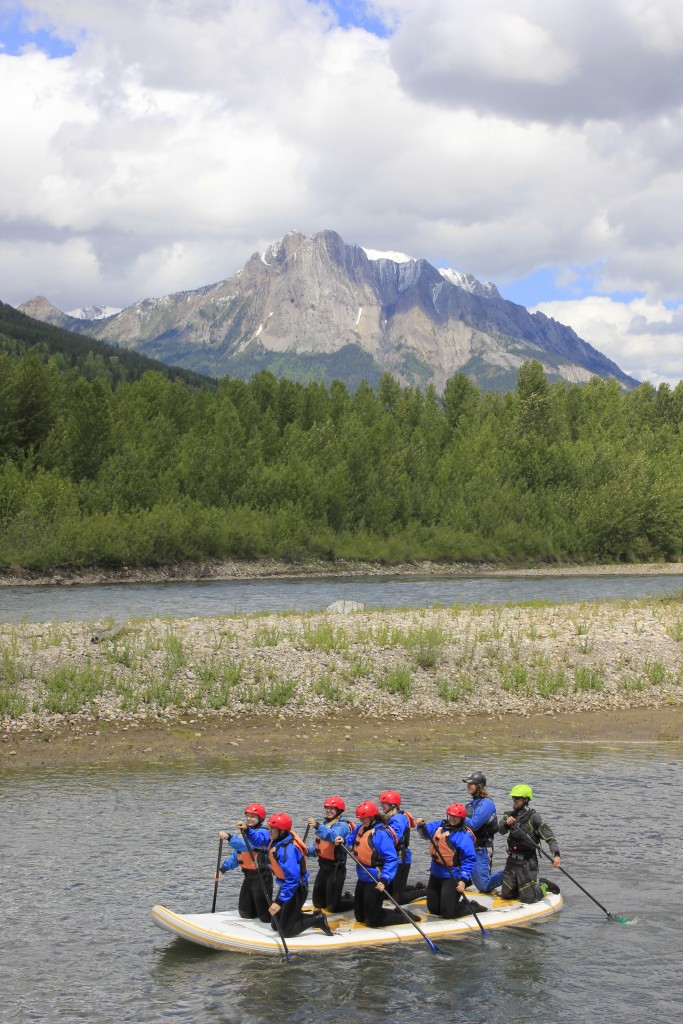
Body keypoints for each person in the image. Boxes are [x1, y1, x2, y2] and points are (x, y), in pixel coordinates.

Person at [337, 800, 418, 928]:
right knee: (360, 917)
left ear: (372, 816)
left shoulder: (380, 833)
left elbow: (391, 859)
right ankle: (386, 911)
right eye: (360, 818)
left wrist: (385, 880)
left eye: (364, 818)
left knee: (372, 921)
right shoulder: (361, 828)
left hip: (375, 879)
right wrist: (344, 840)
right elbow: (352, 840)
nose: (362, 820)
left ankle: (404, 917)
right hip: (363, 877)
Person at [267, 812, 333, 937]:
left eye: (272, 829)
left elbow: (293, 879)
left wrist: (279, 902)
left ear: (281, 831)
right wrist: (247, 830)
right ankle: (313, 915)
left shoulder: (288, 850)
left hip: (296, 889)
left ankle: (318, 920)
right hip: (287, 886)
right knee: (275, 925)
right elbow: (259, 838)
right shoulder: (279, 839)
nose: (269, 831)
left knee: (285, 931)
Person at [497, 785, 561, 904]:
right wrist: (507, 824)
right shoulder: (509, 816)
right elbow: (500, 830)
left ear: (526, 800)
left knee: (528, 899)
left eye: (517, 798)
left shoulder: (534, 818)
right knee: (506, 895)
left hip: (527, 863)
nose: (514, 801)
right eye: (513, 798)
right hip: (512, 861)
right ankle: (519, 888)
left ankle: (543, 885)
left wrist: (556, 855)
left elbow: (550, 837)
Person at [416, 803, 479, 918]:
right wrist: (421, 825)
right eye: (450, 815)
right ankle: (450, 903)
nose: (452, 819)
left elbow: (469, 859)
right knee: (434, 910)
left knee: (447, 913)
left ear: (461, 818)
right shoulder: (439, 826)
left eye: (456, 817)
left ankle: (472, 906)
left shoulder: (463, 835)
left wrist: (463, 880)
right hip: (435, 874)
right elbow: (425, 833)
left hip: (452, 877)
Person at [216, 802, 272, 922]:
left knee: (265, 917)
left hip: (262, 877)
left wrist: (228, 837)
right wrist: (222, 870)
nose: (249, 819)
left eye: (253, 816)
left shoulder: (263, 833)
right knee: (245, 913)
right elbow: (237, 855)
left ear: (260, 818)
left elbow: (247, 846)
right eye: (247, 816)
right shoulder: (244, 833)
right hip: (249, 877)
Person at [306, 795, 353, 912]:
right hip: (323, 869)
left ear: (339, 811)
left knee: (332, 908)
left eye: (332, 809)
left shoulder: (343, 826)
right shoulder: (325, 825)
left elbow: (332, 836)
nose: (328, 810)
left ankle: (354, 901)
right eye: (327, 808)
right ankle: (341, 898)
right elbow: (316, 847)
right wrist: (304, 850)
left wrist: (317, 825)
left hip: (336, 870)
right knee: (318, 904)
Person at [378, 789, 425, 904]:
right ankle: (415, 887)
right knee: (385, 893)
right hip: (390, 860)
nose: (382, 806)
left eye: (384, 804)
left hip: (401, 860)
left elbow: (395, 836)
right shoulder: (388, 817)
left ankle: (427, 891)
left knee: (397, 899)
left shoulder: (399, 818)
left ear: (392, 805)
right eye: (381, 803)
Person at [462, 770, 501, 893]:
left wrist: (458, 815)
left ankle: (510, 873)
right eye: (467, 783)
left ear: (479, 786)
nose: (468, 785)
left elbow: (474, 824)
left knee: (484, 887)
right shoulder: (470, 804)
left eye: (471, 783)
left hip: (482, 848)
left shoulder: (487, 803)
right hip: (468, 847)